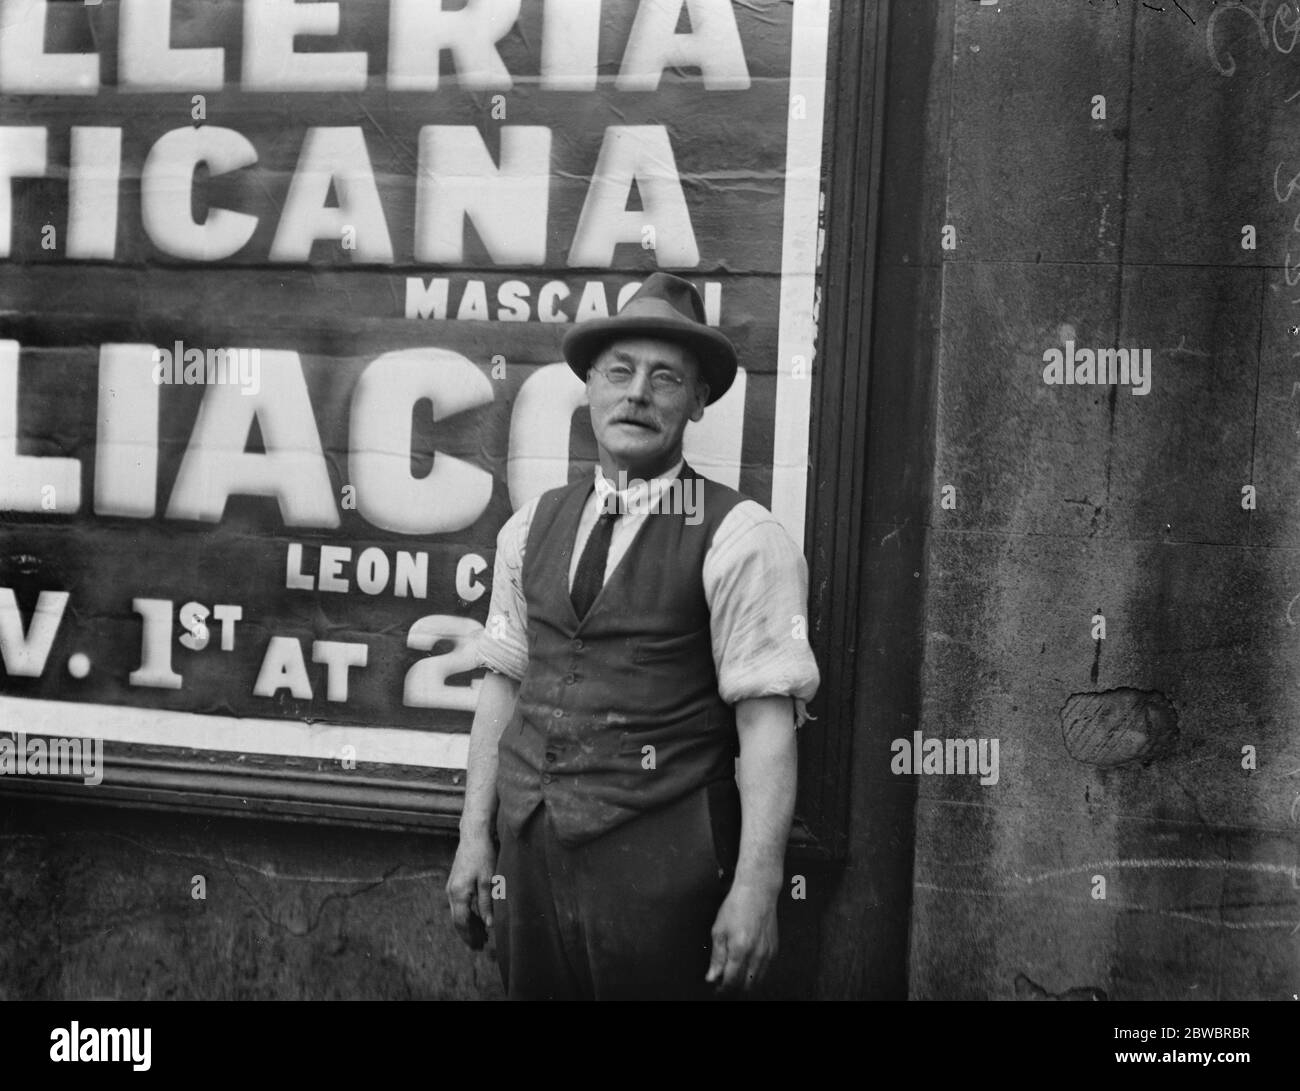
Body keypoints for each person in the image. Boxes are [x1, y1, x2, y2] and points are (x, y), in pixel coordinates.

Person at [446, 272, 819, 1000]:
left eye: (665, 378)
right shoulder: (531, 526)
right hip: (529, 859)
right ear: (588, 386)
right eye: (619, 371)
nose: (637, 393)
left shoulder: (742, 536)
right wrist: (472, 838)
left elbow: (766, 723)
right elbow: (504, 685)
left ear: (698, 401)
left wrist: (756, 887)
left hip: (663, 869)